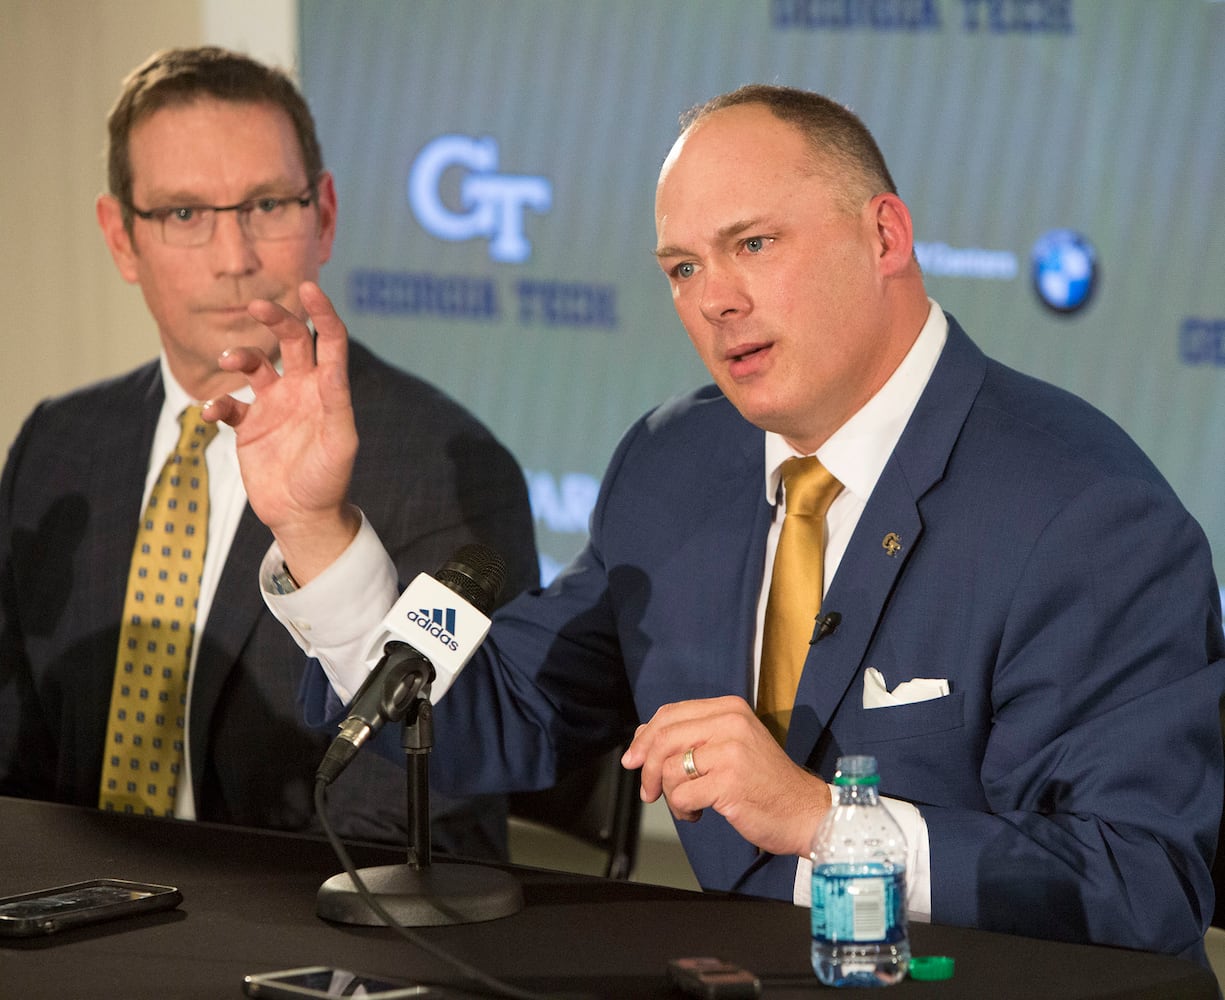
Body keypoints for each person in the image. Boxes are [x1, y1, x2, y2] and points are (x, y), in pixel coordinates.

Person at [207, 84, 1225, 961]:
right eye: (683, 268)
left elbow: (1143, 883)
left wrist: (828, 823)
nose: (715, 301)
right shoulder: (675, 462)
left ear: (884, 236)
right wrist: (315, 528)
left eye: (753, 244)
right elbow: (495, 715)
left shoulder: (1086, 512)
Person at [0, 46, 539, 858]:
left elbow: (419, 824)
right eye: (184, 214)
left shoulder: (443, 465)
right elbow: (17, 772)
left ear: (324, 214)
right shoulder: (60, 444)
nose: (234, 258)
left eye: (266, 204)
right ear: (121, 238)